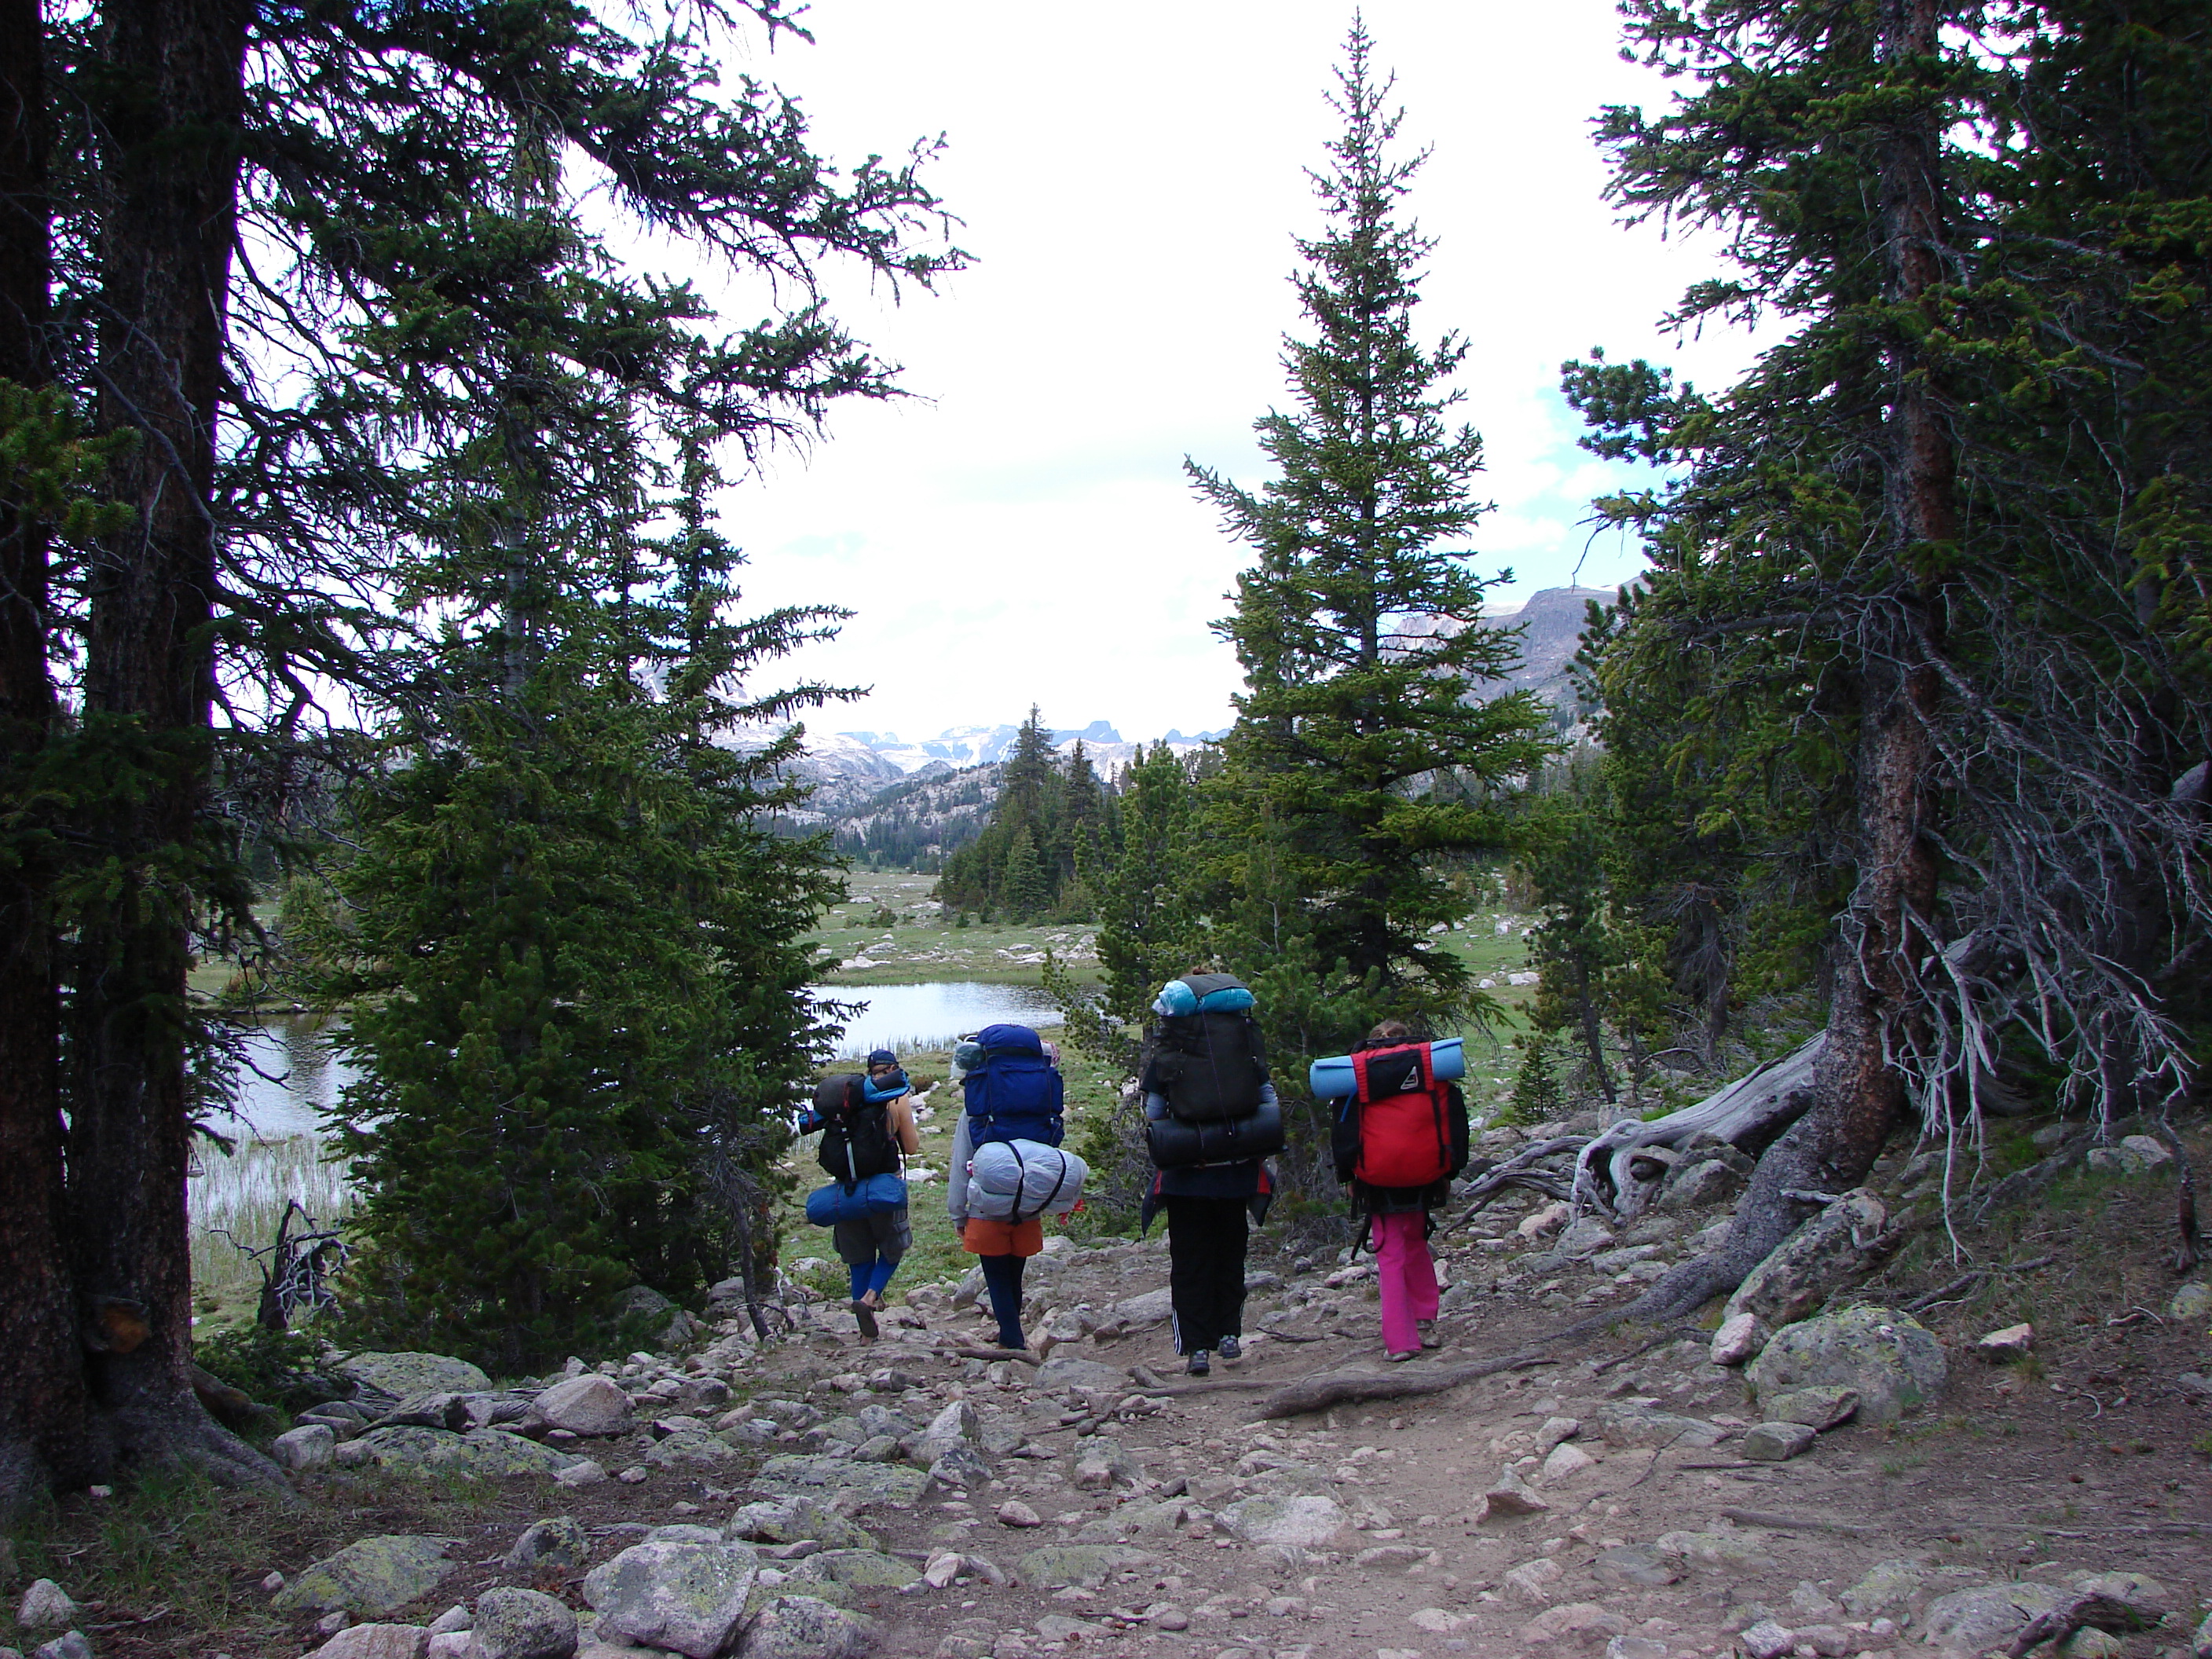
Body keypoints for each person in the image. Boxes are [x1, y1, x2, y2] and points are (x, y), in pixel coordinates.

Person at [1137, 972, 1276, 1379]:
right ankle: (1230, 1334)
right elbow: (1265, 1096)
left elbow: (1155, 1114)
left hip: (1186, 1176)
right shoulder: (1242, 1039)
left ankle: (1197, 1347)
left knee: (1189, 1260)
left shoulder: (1171, 1049)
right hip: (1236, 1170)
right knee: (1230, 1254)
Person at [1334, 1020, 1468, 1362]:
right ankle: (1426, 1318)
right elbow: (1455, 1123)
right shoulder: (1431, 1073)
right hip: (1425, 1171)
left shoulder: (1359, 1076)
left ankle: (1400, 1341)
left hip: (1376, 1176)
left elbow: (1346, 1132)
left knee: (1389, 1253)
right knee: (1416, 1241)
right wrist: (1448, 1170)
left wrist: (1349, 1177)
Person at [945, 1033, 1062, 1351]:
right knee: (1014, 1269)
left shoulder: (977, 1112)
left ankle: (1011, 1337)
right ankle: (1012, 1332)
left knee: (995, 1274)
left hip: (985, 1204)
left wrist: (958, 1211)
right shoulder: (1036, 1105)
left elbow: (960, 1162)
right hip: (1028, 1199)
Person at [803, 1048, 921, 1340]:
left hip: (847, 1190)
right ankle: (870, 1297)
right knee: (893, 1249)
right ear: (895, 1069)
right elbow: (912, 1147)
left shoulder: (844, 1104)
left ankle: (865, 1333)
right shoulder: (897, 1099)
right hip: (883, 1188)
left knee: (859, 1257)